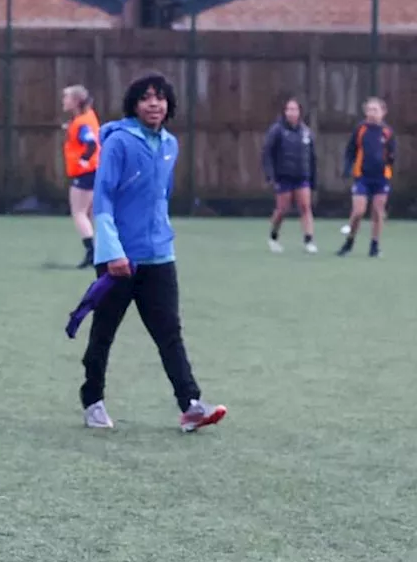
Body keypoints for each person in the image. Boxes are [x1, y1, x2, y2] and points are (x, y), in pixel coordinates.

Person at [80, 71, 227, 433]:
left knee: (169, 333)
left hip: (160, 256)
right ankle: (93, 401)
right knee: (104, 333)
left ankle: (191, 405)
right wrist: (112, 252)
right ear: (134, 104)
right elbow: (103, 200)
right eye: (146, 97)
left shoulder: (169, 145)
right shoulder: (118, 143)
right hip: (119, 261)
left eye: (159, 97)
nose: (154, 103)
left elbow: (160, 198)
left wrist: (164, 237)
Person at [337, 96, 395, 258]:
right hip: (362, 177)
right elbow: (350, 151)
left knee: (378, 212)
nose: (371, 113)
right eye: (369, 110)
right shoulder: (360, 129)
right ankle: (349, 242)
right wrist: (347, 168)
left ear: (383, 112)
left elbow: (392, 152)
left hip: (381, 178)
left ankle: (374, 245)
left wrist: (389, 162)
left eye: (375, 110)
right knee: (358, 212)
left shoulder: (387, 132)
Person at [262, 96, 318, 254]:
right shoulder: (277, 130)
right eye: (289, 109)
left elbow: (312, 157)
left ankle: (309, 240)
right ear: (285, 111)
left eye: (295, 109)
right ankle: (273, 237)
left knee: (305, 207)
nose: (292, 112)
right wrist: (270, 175)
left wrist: (313, 178)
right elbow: (267, 153)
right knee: (282, 210)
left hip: (302, 176)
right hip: (284, 176)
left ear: (300, 112)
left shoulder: (306, 132)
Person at [61, 84, 101, 268]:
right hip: (95, 171)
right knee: (92, 213)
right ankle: (100, 251)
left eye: (67, 97)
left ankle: (91, 252)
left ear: (76, 101)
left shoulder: (82, 122)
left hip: (85, 173)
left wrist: (83, 161)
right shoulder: (85, 117)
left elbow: (91, 144)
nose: (64, 101)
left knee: (79, 213)